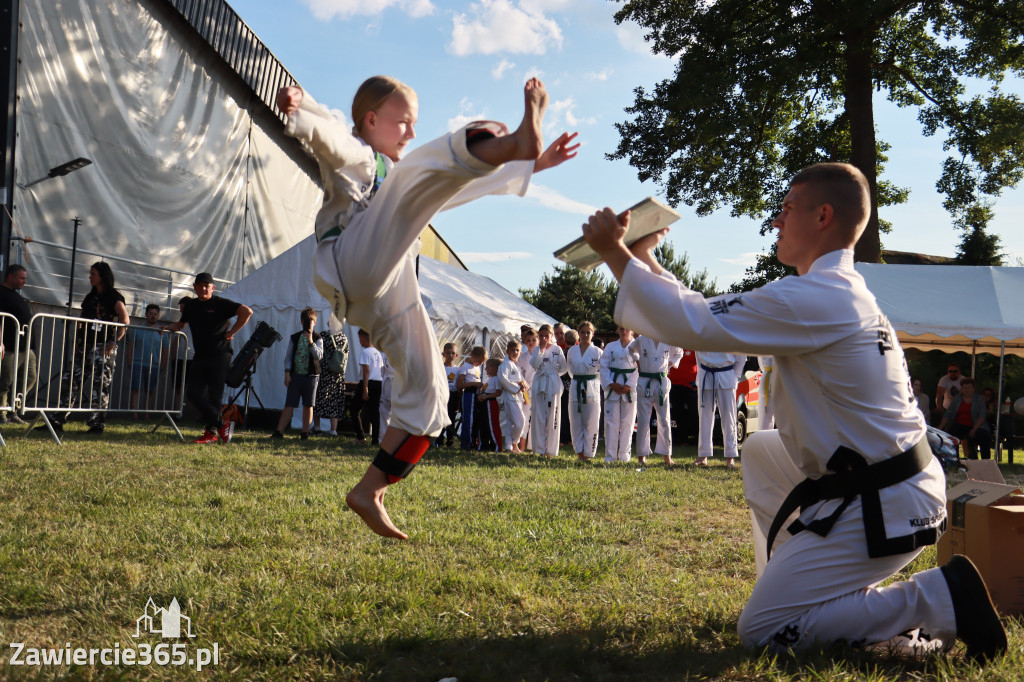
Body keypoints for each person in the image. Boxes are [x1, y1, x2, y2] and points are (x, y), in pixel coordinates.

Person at [581, 162, 1006, 660]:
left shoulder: (816, 298)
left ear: (823, 215)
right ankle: (801, 582)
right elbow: (708, 313)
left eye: (786, 210)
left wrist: (613, 253)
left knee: (763, 631)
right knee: (761, 448)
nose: (776, 222)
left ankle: (938, 598)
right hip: (887, 483)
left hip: (883, 501)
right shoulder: (830, 292)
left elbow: (693, 321)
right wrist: (642, 264)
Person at [278, 75, 577, 539]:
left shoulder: (402, 183)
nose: (411, 133)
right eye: (403, 123)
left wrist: (531, 163)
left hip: (386, 290)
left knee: (433, 398)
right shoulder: (363, 158)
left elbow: (458, 188)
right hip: (350, 257)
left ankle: (370, 490)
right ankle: (512, 138)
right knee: (416, 173)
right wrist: (299, 114)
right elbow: (333, 139)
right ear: (372, 120)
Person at [166, 272, 253, 444]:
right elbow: (181, 325)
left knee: (215, 396)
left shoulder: (220, 303)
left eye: (207, 285)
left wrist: (232, 331)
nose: (203, 288)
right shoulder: (191, 306)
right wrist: (166, 327)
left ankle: (211, 434)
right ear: (195, 287)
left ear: (213, 288)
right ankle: (221, 424)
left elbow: (246, 311)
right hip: (200, 356)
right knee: (192, 392)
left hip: (220, 355)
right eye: (200, 285)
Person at [49, 262, 130, 434]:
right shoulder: (90, 297)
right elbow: (82, 319)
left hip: (103, 348)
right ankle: (57, 420)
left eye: (93, 273)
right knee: (69, 379)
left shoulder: (114, 296)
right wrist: (79, 339)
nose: (90, 276)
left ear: (102, 276)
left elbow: (125, 320)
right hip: (85, 346)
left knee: (99, 385)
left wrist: (113, 342)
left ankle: (97, 424)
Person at [630, 333, 685, 465]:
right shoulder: (641, 340)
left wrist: (669, 364)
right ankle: (642, 456)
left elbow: (679, 352)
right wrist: (637, 361)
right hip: (644, 381)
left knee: (664, 420)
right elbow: (631, 349)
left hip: (661, 382)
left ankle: (667, 455)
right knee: (643, 420)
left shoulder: (668, 339)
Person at [272, 307, 324, 440]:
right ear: (301, 322)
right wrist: (287, 373)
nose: (308, 323)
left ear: (315, 323)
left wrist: (311, 341)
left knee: (308, 404)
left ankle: (305, 433)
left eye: (311, 321)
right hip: (295, 375)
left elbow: (319, 356)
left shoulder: (318, 338)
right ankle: (279, 432)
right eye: (306, 321)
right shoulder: (294, 337)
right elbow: (288, 356)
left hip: (312, 377)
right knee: (290, 403)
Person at [695, 351, 746, 468]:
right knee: (704, 417)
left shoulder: (732, 332)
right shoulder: (702, 332)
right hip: (706, 372)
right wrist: (701, 371)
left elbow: (741, 356)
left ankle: (730, 456)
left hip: (726, 374)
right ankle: (703, 455)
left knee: (729, 418)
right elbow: (698, 352)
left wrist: (735, 375)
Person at [0, 264, 37, 424]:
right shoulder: (1, 293)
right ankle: (1, 414)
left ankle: (13, 411)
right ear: (10, 277)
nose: (24, 282)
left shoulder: (17, 295)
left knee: (30, 377)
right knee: (4, 381)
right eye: (21, 278)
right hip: (8, 347)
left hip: (24, 347)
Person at [600, 326, 639, 463]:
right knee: (611, 423)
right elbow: (603, 366)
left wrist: (629, 384)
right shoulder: (610, 347)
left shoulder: (637, 346)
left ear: (632, 330)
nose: (624, 332)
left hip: (630, 388)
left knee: (628, 423)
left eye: (627, 329)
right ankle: (610, 456)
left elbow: (639, 367)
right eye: (621, 329)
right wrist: (611, 383)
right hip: (613, 386)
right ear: (617, 330)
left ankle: (624, 456)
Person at [126, 303, 170, 418]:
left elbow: (166, 351)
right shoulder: (138, 329)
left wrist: (162, 366)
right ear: (146, 314)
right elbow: (130, 347)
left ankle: (146, 415)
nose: (153, 316)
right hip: (137, 364)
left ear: (158, 316)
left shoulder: (162, 332)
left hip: (154, 366)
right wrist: (130, 363)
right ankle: (134, 415)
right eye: (150, 313)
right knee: (136, 389)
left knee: (149, 391)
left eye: (155, 314)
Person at [566, 321, 602, 460]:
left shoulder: (598, 352)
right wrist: (577, 379)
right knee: (575, 420)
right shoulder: (572, 351)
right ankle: (579, 452)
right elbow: (569, 370)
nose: (585, 334)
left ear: (592, 334)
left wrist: (592, 381)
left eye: (588, 332)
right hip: (576, 384)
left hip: (592, 385)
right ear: (578, 334)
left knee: (591, 420)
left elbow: (602, 372)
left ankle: (589, 453)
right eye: (583, 332)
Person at [530, 324, 567, 457]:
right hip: (539, 382)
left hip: (552, 382)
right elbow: (534, 365)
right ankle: (539, 449)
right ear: (538, 336)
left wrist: (553, 375)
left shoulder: (557, 349)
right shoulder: (536, 350)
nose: (544, 338)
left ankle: (551, 450)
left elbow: (563, 367)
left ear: (551, 336)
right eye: (541, 336)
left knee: (553, 416)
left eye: (547, 336)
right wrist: (541, 349)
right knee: (539, 416)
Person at [938, 377, 990, 459]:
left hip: (976, 425)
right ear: (961, 389)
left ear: (973, 389)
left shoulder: (979, 399)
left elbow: (982, 416)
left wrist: (974, 429)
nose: (967, 390)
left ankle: (986, 460)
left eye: (969, 387)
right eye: (965, 387)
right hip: (959, 425)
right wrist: (940, 427)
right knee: (950, 434)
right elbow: (948, 414)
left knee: (983, 435)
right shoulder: (956, 399)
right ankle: (954, 458)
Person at [313, 327, 348, 436]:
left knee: (318, 399)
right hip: (338, 375)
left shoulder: (324, 335)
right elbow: (346, 356)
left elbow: (318, 352)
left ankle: (317, 427)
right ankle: (333, 430)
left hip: (325, 373)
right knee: (335, 401)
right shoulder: (344, 338)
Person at [353, 328, 384, 445]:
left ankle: (360, 437)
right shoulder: (378, 352)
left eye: (359, 338)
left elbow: (366, 370)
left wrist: (365, 388)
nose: (359, 341)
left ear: (364, 338)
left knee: (354, 409)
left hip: (367, 382)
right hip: (378, 382)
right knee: (375, 412)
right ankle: (375, 440)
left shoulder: (365, 352)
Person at [497, 339, 527, 453]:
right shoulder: (505, 364)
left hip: (518, 397)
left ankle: (509, 446)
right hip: (510, 396)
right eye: (512, 350)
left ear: (520, 353)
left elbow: (521, 381)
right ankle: (515, 442)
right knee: (520, 422)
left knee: (511, 423)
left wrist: (523, 387)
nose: (515, 352)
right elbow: (503, 380)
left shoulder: (517, 366)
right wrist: (517, 387)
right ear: (507, 351)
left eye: (517, 350)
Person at [457, 346, 486, 450]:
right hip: (469, 394)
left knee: (475, 419)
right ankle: (465, 443)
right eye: (479, 361)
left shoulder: (476, 367)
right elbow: (459, 385)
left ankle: (474, 441)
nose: (480, 364)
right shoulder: (466, 367)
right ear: (473, 356)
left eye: (482, 362)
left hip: (477, 394)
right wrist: (473, 383)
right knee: (468, 419)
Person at [517, 327, 538, 452]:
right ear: (525, 341)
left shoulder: (542, 354)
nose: (531, 342)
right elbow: (519, 374)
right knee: (524, 420)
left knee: (538, 420)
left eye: (534, 340)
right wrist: (523, 385)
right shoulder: (522, 358)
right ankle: (522, 447)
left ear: (538, 340)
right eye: (528, 340)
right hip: (526, 393)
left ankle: (536, 447)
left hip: (540, 391)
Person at [436, 343, 461, 448]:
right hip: (442, 394)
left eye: (453, 353)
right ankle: (439, 441)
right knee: (441, 418)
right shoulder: (440, 368)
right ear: (443, 354)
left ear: (456, 355)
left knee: (451, 418)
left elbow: (459, 385)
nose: (450, 355)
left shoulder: (458, 369)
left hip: (454, 395)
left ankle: (450, 441)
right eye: (448, 353)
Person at [478, 358, 504, 452]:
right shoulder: (487, 379)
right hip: (484, 403)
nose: (485, 369)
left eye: (487, 367)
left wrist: (486, 397)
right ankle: (483, 445)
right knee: (483, 425)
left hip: (491, 402)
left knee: (493, 425)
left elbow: (498, 392)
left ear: (494, 368)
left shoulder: (497, 379)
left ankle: (497, 446)